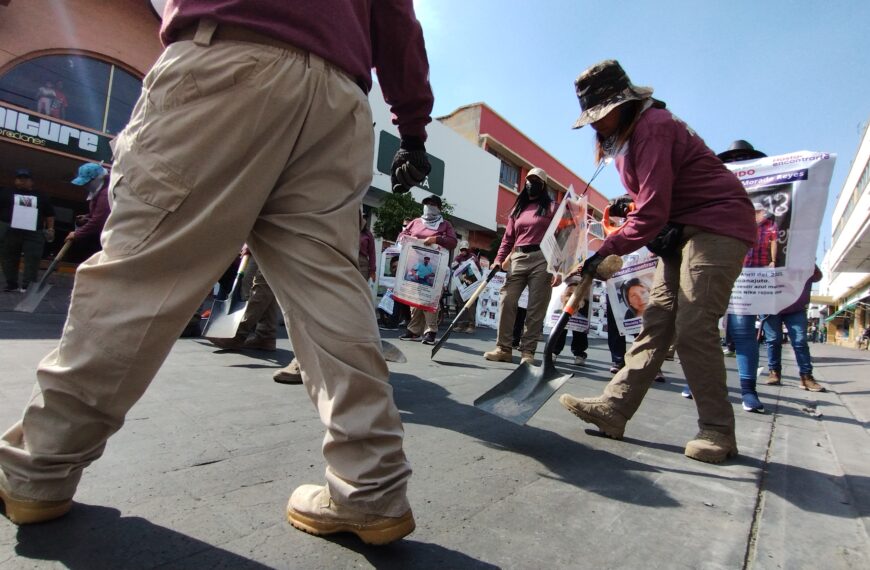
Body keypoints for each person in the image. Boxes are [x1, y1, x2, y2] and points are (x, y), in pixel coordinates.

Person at [0, 3, 433, 547]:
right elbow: (396, 18)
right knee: (329, 293)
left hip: (229, 56)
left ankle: (38, 467)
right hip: (337, 100)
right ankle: (372, 487)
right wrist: (412, 131)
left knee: (143, 273)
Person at [558, 60, 755, 464]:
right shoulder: (625, 139)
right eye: (592, 117)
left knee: (693, 325)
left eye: (602, 114)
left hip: (717, 223)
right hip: (680, 231)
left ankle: (717, 430)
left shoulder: (653, 126)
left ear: (624, 103)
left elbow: (651, 212)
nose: (598, 124)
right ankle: (615, 408)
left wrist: (604, 251)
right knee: (657, 321)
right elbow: (652, 201)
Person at [484, 167, 559, 365]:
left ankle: (528, 352)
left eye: (536, 181)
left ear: (543, 186)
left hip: (543, 258)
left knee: (535, 307)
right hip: (517, 257)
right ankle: (503, 348)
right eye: (529, 180)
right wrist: (499, 259)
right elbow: (508, 238)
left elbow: (564, 237)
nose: (531, 184)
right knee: (507, 300)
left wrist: (559, 268)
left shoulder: (553, 207)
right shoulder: (518, 209)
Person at [397, 194, 457, 345]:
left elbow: (453, 242)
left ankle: (430, 331)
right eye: (427, 203)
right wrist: (405, 239)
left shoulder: (445, 225)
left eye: (433, 204)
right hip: (415, 265)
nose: (429, 207)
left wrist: (436, 239)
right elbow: (403, 234)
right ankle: (414, 331)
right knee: (414, 298)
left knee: (430, 298)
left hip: (435, 269)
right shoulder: (416, 222)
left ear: (439, 208)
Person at [762, 266, 826, 392]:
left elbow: (817, 277)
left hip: (795, 306)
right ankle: (774, 372)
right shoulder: (764, 255)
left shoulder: (802, 257)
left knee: (800, 341)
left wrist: (810, 263)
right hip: (770, 304)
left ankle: (806, 377)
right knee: (773, 340)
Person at [1, 169, 55, 292]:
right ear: (15, 180)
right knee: (8, 256)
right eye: (19, 178)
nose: (22, 181)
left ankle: (28, 285)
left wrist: (50, 229)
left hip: (34, 231)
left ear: (31, 181)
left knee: (33, 258)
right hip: (10, 229)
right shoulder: (6, 192)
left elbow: (50, 214)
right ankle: (11, 283)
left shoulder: (41, 195)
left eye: (25, 179)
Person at [66, 163, 111, 261]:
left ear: (96, 179)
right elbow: (100, 214)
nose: (85, 186)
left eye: (87, 182)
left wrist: (77, 234)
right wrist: (88, 216)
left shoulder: (105, 194)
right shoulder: (100, 191)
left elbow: (99, 220)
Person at [551, 277, 589, 365]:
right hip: (566, 281)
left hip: (585, 280)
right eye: (569, 295)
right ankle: (553, 351)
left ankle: (579, 353)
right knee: (560, 325)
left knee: (580, 325)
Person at [450, 239, 480, 333]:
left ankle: (471, 325)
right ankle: (461, 325)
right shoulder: (458, 257)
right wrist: (456, 263)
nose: (464, 251)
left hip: (471, 283)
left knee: (471, 305)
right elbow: (453, 267)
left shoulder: (472, 256)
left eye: (465, 249)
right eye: (462, 249)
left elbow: (478, 269)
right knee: (461, 304)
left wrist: (475, 262)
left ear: (468, 249)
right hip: (461, 284)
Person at [745, 203, 778, 268]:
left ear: (763, 212)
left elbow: (774, 242)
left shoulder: (771, 224)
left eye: (758, 212)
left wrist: (773, 261)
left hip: (763, 263)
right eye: (753, 212)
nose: (755, 214)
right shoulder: (746, 224)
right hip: (746, 263)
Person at [359, 214, 377, 282]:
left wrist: (372, 270)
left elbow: (372, 253)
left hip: (362, 264)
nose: (363, 221)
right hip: (350, 261)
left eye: (364, 219)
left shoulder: (368, 234)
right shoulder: (350, 231)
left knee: (360, 285)